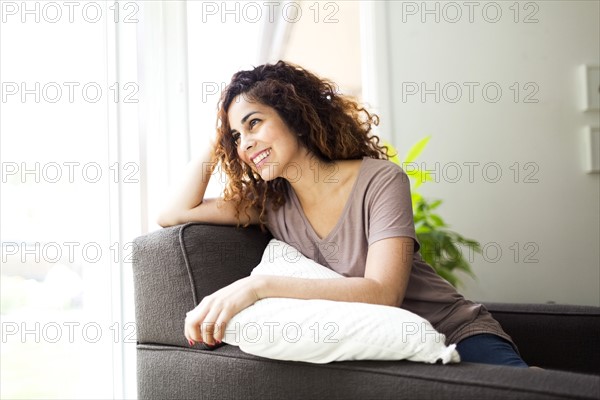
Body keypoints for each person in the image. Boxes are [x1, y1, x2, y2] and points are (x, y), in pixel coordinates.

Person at [158, 60, 528, 368]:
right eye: (236, 138)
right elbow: (174, 212)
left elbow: (383, 292)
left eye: (254, 123)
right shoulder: (269, 204)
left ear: (294, 115)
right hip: (382, 347)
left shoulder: (380, 180)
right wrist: (221, 134)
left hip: (453, 329)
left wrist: (257, 287)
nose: (246, 144)